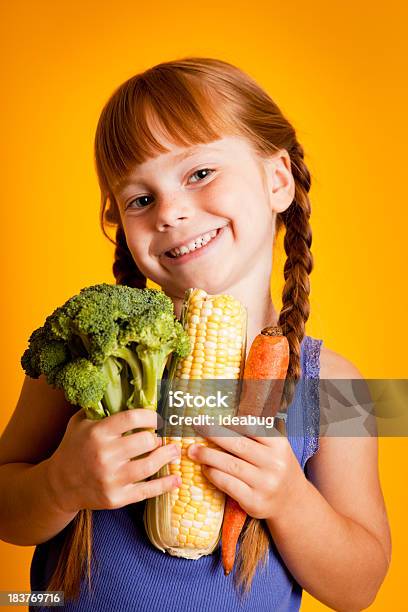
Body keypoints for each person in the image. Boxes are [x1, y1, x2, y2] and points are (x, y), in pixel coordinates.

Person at [0, 57, 391, 612]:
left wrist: (289, 500)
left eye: (199, 173)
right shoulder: (94, 354)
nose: (171, 212)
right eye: (140, 199)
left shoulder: (335, 386)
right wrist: (58, 486)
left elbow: (360, 587)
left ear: (277, 180)